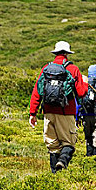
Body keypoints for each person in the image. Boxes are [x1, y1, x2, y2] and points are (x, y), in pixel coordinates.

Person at [29, 41, 88, 172]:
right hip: (66, 112)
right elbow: (81, 92)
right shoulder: (73, 69)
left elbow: (37, 91)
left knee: (53, 146)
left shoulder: (46, 68)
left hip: (48, 112)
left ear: (55, 53)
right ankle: (62, 162)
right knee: (69, 143)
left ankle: (54, 174)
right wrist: (84, 83)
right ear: (67, 53)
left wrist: (33, 113)